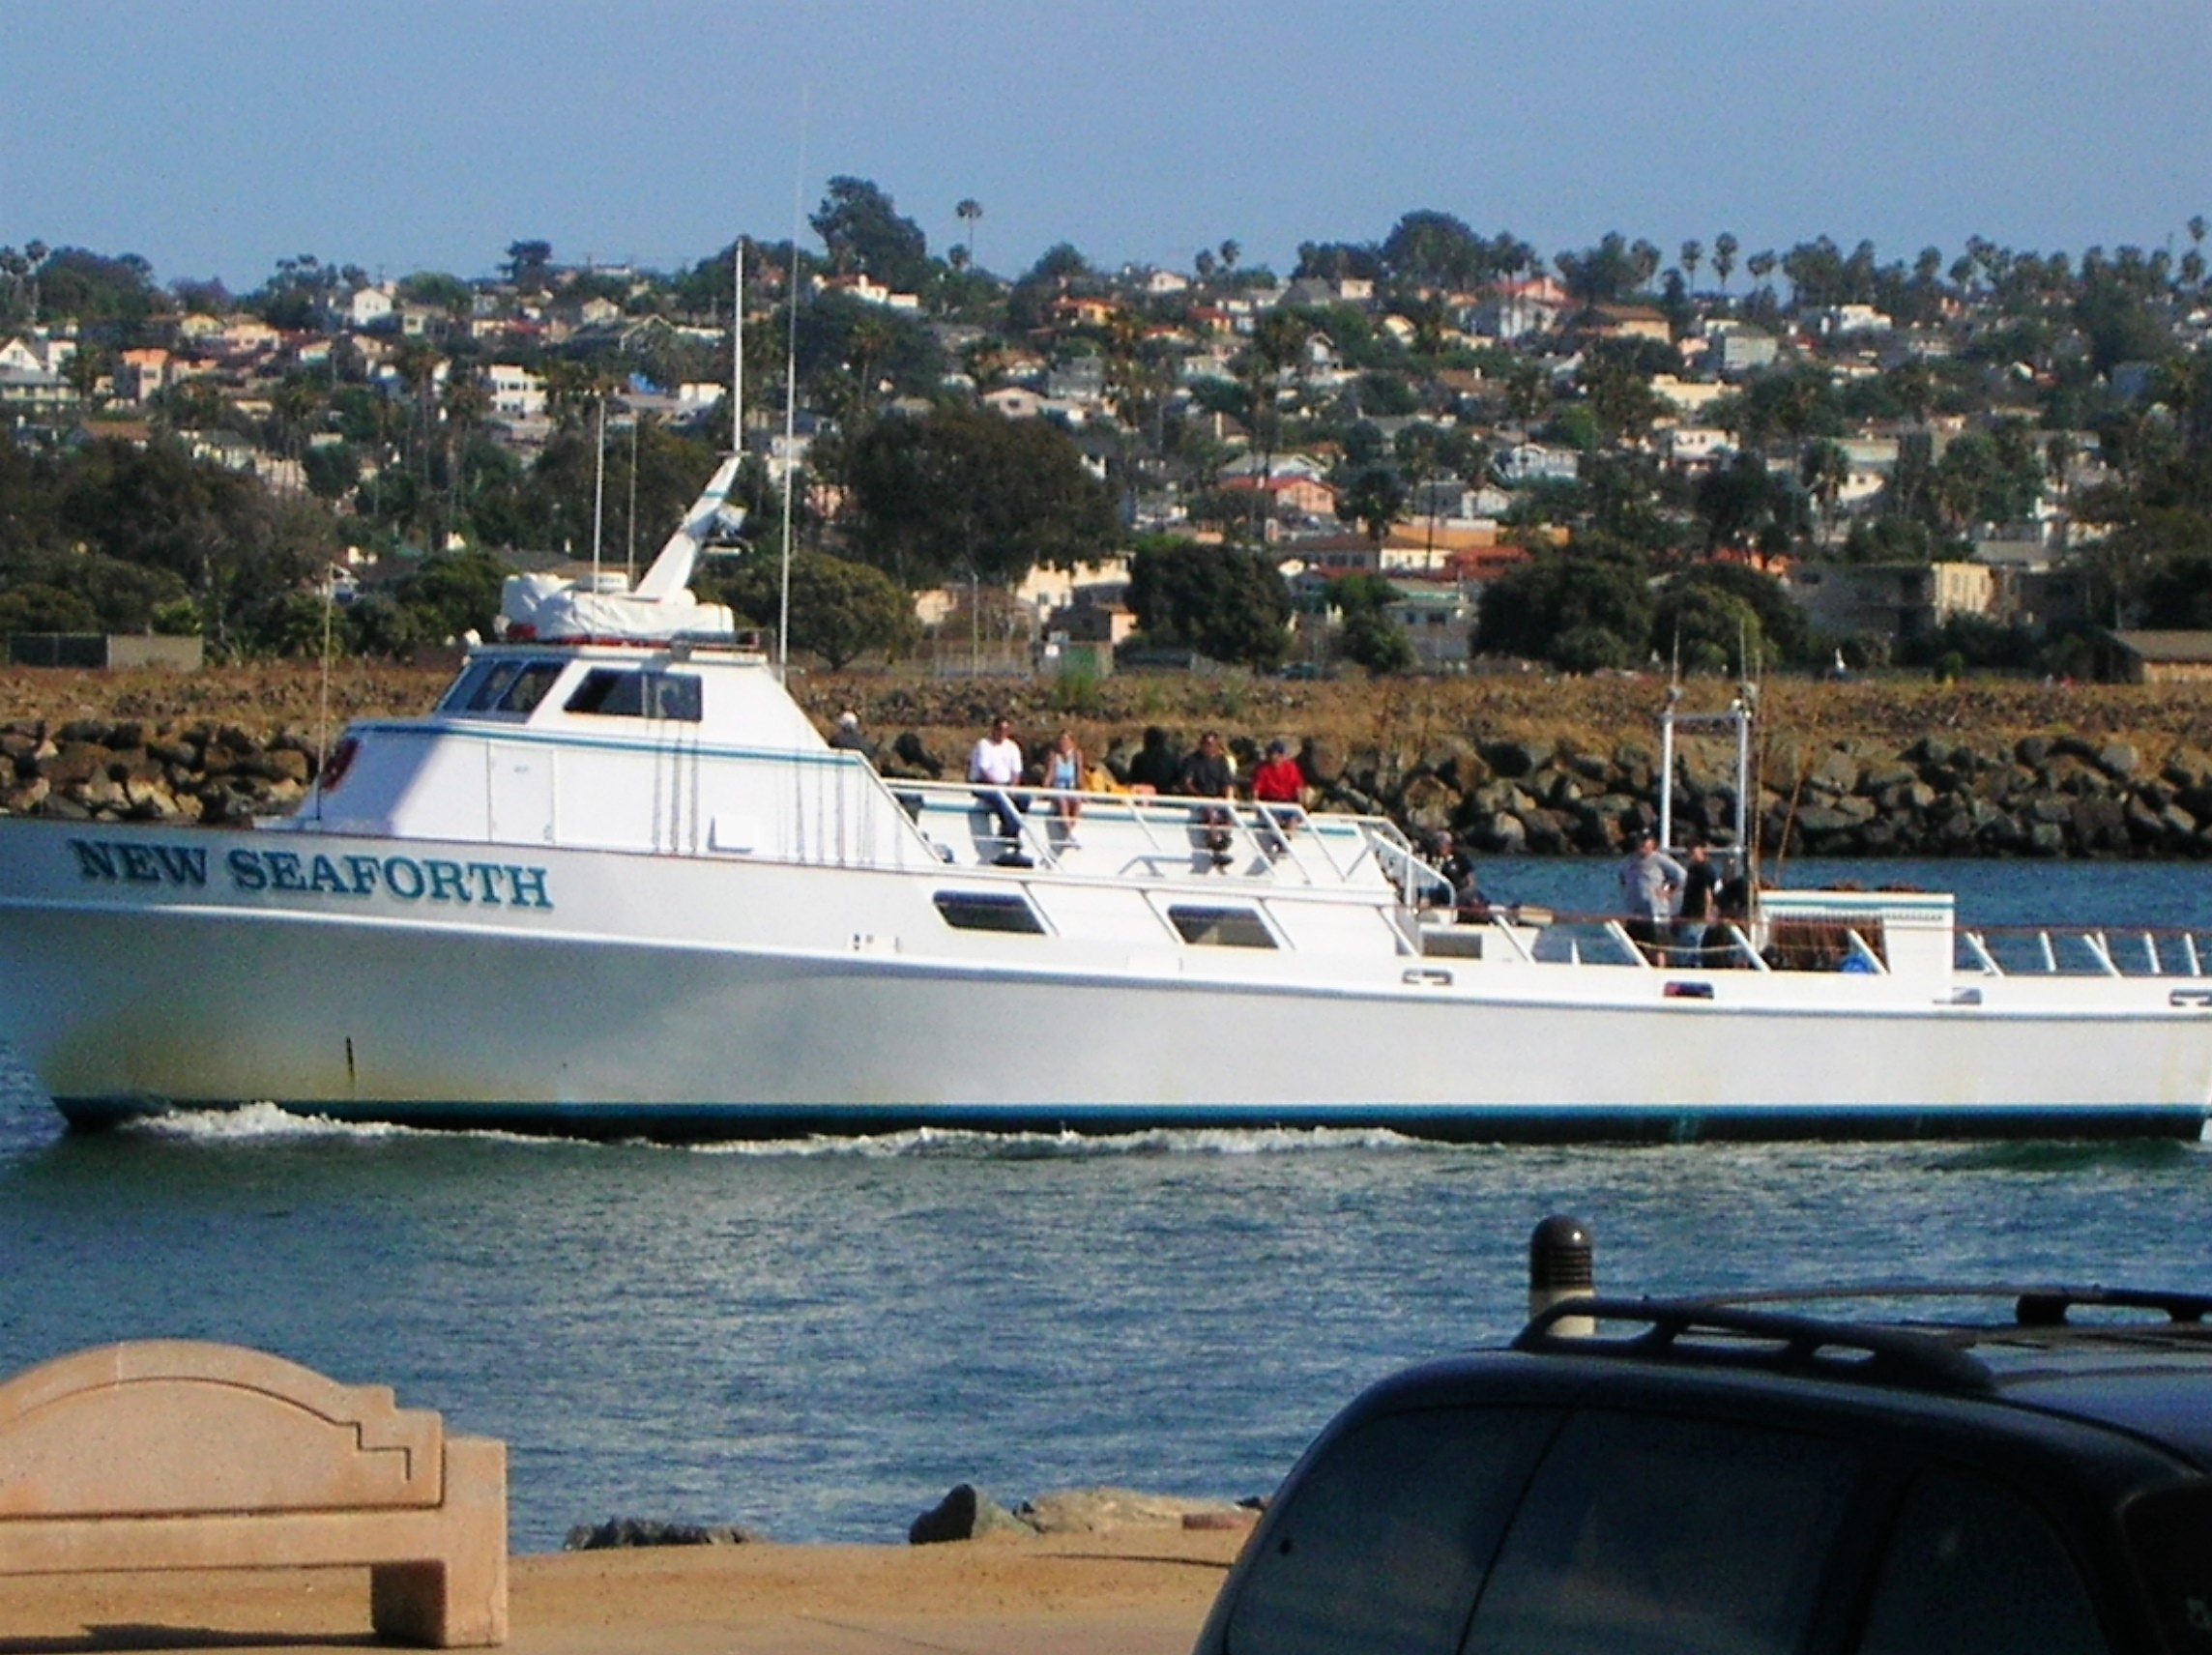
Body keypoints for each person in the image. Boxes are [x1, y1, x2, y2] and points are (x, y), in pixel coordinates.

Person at [967, 715, 1029, 858]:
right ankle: (1012, 834)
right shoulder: (984, 745)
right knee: (1000, 799)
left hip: (1005, 785)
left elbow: (1016, 772)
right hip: (983, 784)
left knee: (1025, 798)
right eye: (999, 729)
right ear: (993, 729)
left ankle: (1008, 830)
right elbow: (984, 771)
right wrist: (1001, 790)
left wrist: (1013, 788)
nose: (1002, 733)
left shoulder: (1012, 747)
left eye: (1005, 730)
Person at [1617, 834, 1686, 960]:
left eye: (1646, 842)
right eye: (1641, 841)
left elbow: (1681, 876)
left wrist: (1669, 892)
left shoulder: (1660, 860)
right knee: (1635, 946)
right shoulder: (1628, 861)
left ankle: (1660, 971)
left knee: (1658, 947)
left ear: (1653, 844)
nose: (1643, 845)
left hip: (1656, 911)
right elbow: (1621, 878)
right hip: (1635, 912)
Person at [1179, 730, 1236, 866]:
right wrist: (1200, 796)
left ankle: (1224, 843)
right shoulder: (1192, 760)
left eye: (1211, 744)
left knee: (1228, 815)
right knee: (1211, 813)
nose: (1208, 747)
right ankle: (1214, 846)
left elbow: (1226, 783)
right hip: (1198, 797)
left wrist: (1227, 799)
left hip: (1216, 798)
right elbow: (1187, 783)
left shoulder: (1222, 761)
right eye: (1205, 744)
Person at [1250, 739, 1306, 854]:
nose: (1273, 757)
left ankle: (1284, 841)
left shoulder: (1291, 767)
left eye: (1276, 754)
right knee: (1275, 818)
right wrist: (1256, 805)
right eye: (1271, 754)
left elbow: (1299, 787)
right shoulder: (1263, 769)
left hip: (1288, 802)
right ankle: (1279, 840)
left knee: (1293, 818)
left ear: (1282, 755)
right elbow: (1256, 789)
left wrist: (1302, 805)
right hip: (1270, 802)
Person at [1675, 843, 1721, 964]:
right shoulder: (1692, 869)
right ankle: (1686, 966)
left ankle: (1694, 967)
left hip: (1698, 913)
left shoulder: (1705, 869)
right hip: (1687, 912)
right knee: (1685, 943)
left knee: (1694, 943)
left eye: (1693, 851)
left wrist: (1707, 912)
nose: (1690, 855)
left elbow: (1708, 892)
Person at [1042, 728, 1085, 842]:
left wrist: (1083, 792)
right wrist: (1044, 789)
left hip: (1070, 788)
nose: (1063, 744)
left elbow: (1079, 776)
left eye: (1065, 741)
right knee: (1062, 802)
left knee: (1077, 801)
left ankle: (1070, 829)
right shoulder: (1054, 755)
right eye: (1061, 741)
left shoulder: (1076, 755)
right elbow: (1050, 774)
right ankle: (1069, 832)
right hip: (1058, 788)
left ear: (1072, 743)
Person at [1435, 831, 1487, 921]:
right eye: (1438, 844)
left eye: (1442, 844)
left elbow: (1470, 878)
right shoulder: (1434, 858)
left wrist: (1468, 891)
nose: (1440, 847)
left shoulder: (1460, 858)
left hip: (1458, 892)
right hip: (1441, 890)